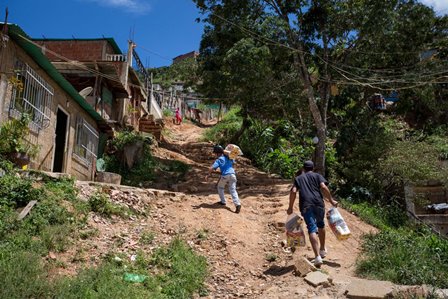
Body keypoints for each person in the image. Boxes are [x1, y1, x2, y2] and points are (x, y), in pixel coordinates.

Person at [287, 160, 338, 267]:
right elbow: (323, 187)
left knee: (311, 228)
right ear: (313, 168)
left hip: (306, 205)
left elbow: (293, 191)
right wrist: (332, 200)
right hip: (319, 203)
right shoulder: (317, 176)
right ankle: (322, 249)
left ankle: (317, 257)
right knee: (321, 225)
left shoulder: (298, 178)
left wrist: (290, 207)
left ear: (303, 168)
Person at [205, 144, 241, 213]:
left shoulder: (219, 160)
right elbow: (233, 161)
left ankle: (223, 201)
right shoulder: (229, 157)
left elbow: (211, 168)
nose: (215, 155)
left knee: (220, 187)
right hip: (233, 175)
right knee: (233, 190)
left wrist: (208, 175)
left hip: (225, 175)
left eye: (215, 153)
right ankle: (237, 204)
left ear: (217, 153)